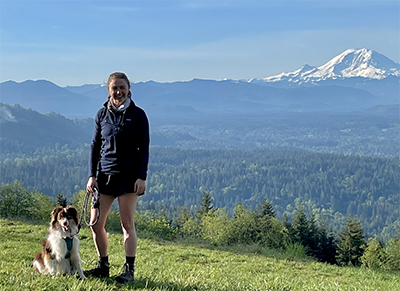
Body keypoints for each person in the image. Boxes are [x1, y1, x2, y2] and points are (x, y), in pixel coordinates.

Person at [84, 72, 150, 283]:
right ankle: (103, 265)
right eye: (115, 88)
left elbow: (144, 148)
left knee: (126, 224)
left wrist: (142, 177)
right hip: (104, 177)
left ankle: (128, 270)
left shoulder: (138, 115)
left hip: (129, 177)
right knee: (95, 223)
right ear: (108, 90)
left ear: (129, 89)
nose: (119, 92)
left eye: (122, 88)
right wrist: (91, 175)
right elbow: (95, 145)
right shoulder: (102, 115)